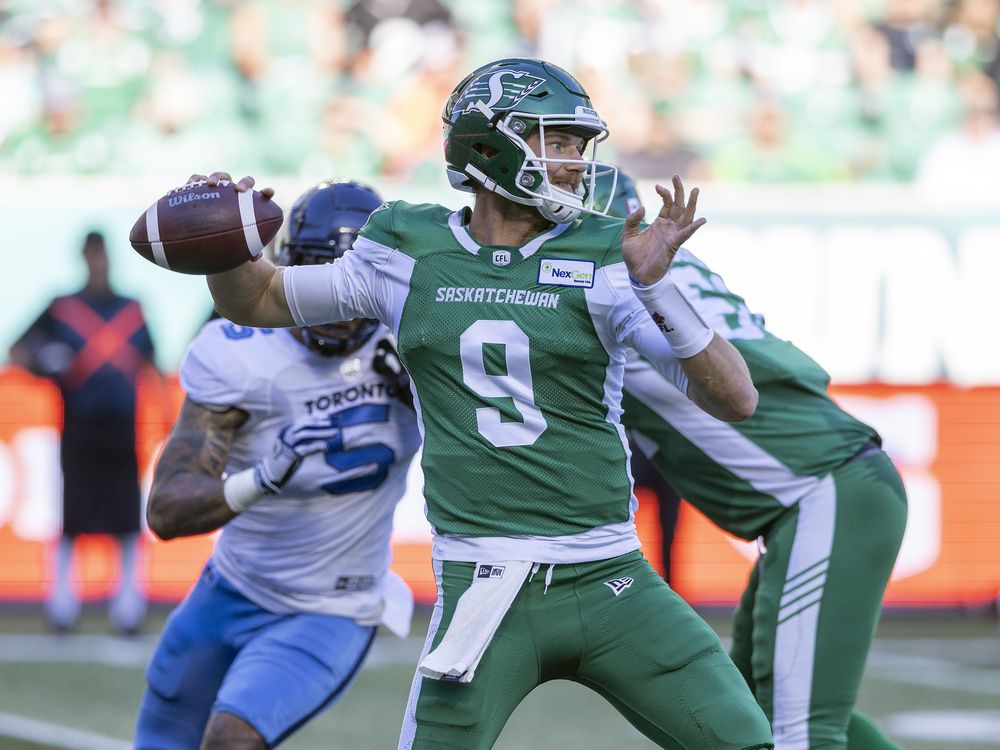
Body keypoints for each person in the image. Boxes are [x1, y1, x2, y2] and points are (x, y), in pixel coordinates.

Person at [175, 58, 773, 749]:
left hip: (612, 575)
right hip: (484, 588)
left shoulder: (609, 253)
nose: (576, 162)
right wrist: (223, 246)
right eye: (558, 140)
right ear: (491, 143)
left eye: (578, 144)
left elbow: (736, 399)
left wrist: (656, 286)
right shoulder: (407, 245)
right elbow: (259, 298)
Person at [599, 172, 907, 750]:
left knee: (800, 733)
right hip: (820, 493)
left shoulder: (613, 286)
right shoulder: (670, 274)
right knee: (753, 715)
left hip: (825, 489)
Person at [134, 181, 422, 750]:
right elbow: (167, 509)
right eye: (320, 271)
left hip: (333, 606)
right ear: (287, 265)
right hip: (230, 588)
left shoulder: (418, 344)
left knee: (231, 739)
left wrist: (424, 386)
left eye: (351, 280)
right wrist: (262, 477)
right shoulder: (240, 351)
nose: (337, 307)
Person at [10, 231, 156, 635]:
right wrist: (45, 360)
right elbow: (18, 351)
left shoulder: (132, 308)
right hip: (78, 427)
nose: (98, 262)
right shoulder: (62, 308)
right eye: (92, 254)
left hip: (122, 428)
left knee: (128, 519)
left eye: (102, 254)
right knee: (71, 519)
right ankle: (62, 609)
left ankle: (128, 610)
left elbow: (151, 363)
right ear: (83, 258)